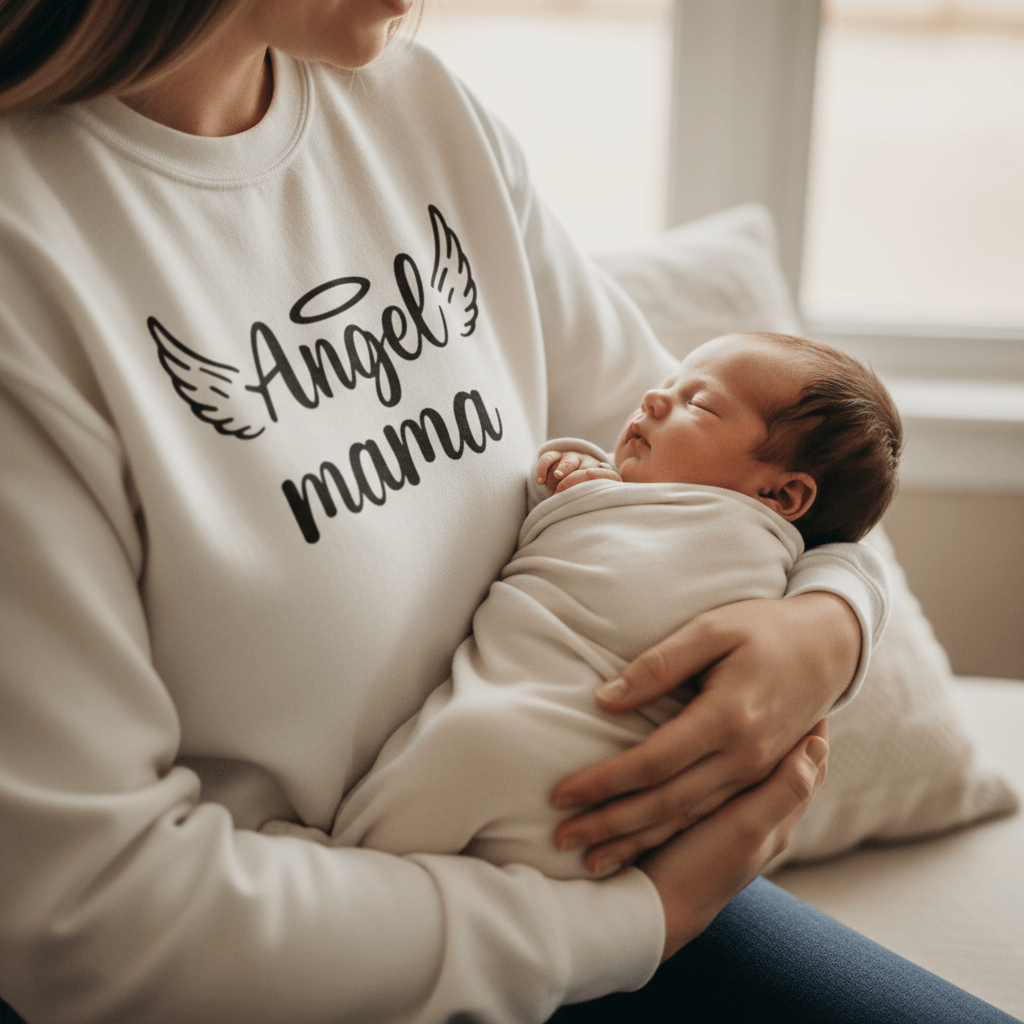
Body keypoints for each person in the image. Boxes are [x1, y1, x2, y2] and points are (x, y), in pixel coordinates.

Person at [0, 3, 1015, 1022]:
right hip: (292, 966)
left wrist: (833, 620)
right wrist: (632, 924)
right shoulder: (26, 258)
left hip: (575, 881)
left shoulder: (417, 107)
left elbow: (708, 462)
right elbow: (93, 913)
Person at [263, 329, 904, 880]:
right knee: (463, 745)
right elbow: (562, 503)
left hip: (602, 748)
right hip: (544, 722)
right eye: (671, 382)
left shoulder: (760, 544)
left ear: (782, 496)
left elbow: (842, 559)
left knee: (468, 749)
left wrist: (840, 618)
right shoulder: (627, 489)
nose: (655, 398)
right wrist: (574, 472)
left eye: (699, 404)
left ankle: (349, 861)